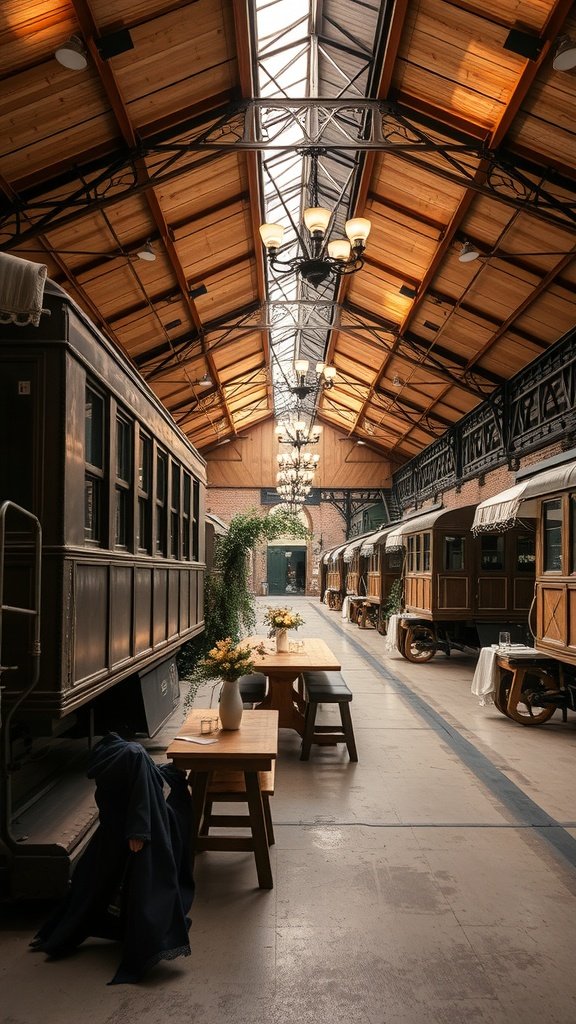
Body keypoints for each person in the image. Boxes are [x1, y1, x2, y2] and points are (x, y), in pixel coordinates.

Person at [30, 732, 194, 984]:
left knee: (92, 883)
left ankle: (70, 931)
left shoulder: (116, 764)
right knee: (147, 881)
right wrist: (140, 829)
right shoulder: (136, 761)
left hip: (115, 830)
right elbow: (141, 795)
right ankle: (145, 935)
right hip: (131, 831)